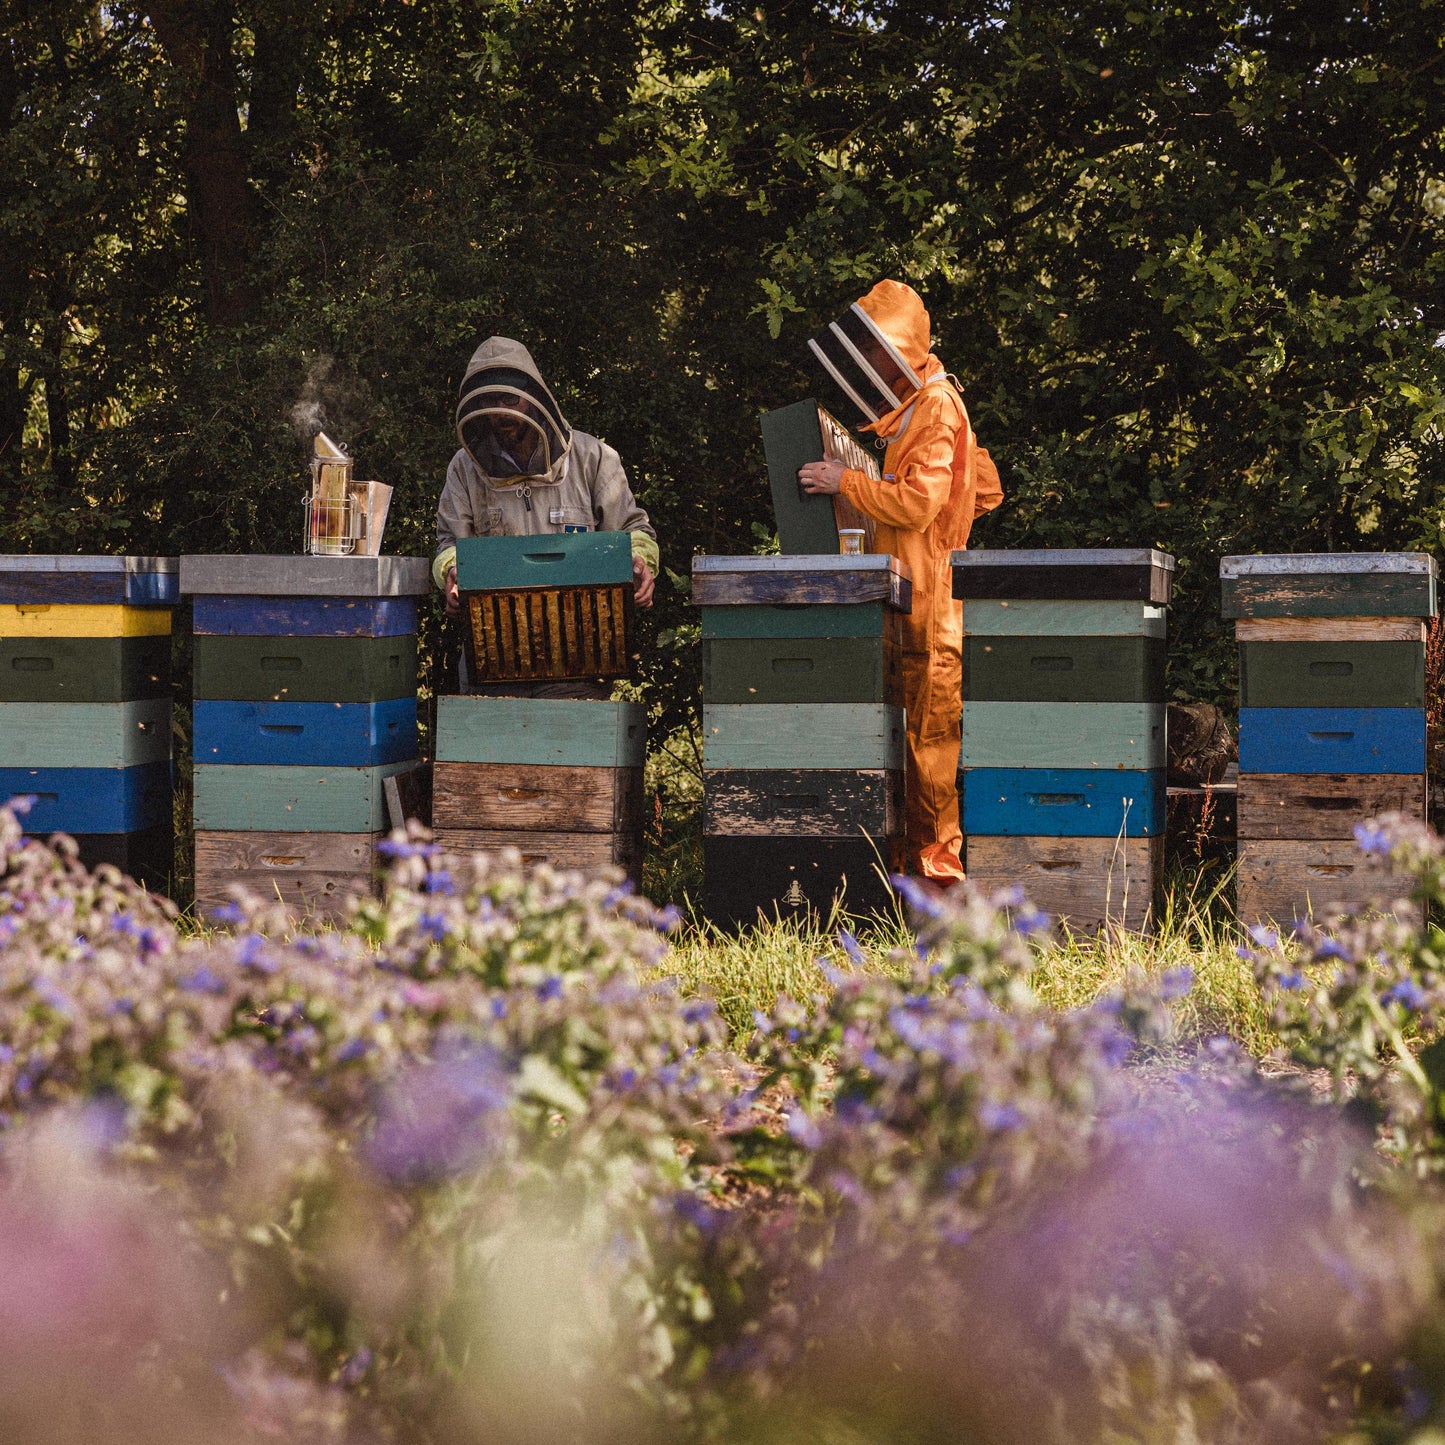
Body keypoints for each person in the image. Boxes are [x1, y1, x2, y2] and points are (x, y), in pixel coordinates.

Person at [798, 280, 1003, 883]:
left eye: (877, 347)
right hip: (918, 599)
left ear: (901, 348)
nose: (871, 361)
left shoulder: (935, 405)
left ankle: (938, 881)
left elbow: (917, 504)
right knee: (912, 748)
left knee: (928, 752)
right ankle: (907, 878)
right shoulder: (927, 405)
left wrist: (846, 483)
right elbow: (985, 487)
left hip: (930, 608)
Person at [434, 335, 658, 625]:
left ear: (533, 397)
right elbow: (450, 544)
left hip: (584, 627)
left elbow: (632, 529)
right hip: (500, 628)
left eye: (510, 398)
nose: (500, 410)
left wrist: (638, 560)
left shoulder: (593, 457)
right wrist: (451, 570)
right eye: (489, 400)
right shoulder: (464, 468)